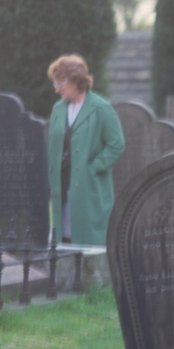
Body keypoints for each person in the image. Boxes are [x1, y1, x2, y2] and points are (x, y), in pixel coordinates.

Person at [47, 54, 124, 245]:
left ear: (74, 80)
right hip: (61, 183)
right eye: (54, 84)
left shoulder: (101, 107)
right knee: (62, 235)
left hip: (88, 185)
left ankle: (90, 273)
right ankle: (66, 272)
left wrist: (93, 168)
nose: (56, 89)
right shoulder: (58, 108)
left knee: (87, 237)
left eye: (60, 83)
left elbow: (116, 144)